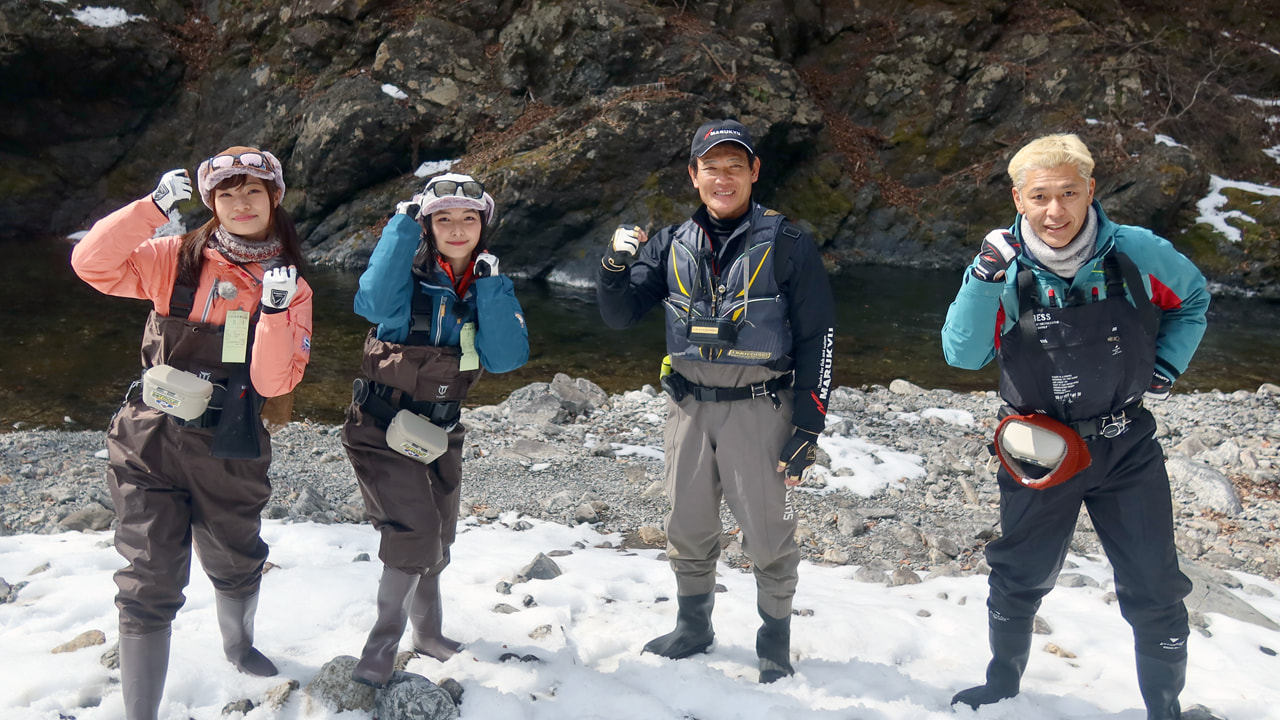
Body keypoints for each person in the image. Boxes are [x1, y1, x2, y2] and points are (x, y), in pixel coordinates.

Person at [941, 133, 1210, 719]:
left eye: (1068, 193)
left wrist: (1166, 366)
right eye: (1040, 196)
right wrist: (984, 276)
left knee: (1156, 588)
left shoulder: (1138, 251)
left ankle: (1164, 709)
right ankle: (1003, 687)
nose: (1055, 211)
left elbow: (1192, 299)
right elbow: (962, 355)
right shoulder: (1002, 269)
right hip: (1038, 448)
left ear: (1091, 189)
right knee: (1019, 574)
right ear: (1018, 198)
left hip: (1127, 445)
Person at [71, 147, 312, 720]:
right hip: (148, 439)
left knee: (235, 557)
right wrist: (150, 209)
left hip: (231, 444)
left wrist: (275, 312)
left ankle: (239, 644)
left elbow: (277, 379)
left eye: (253, 191)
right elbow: (92, 265)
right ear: (211, 203)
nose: (241, 203)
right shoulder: (171, 258)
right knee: (147, 578)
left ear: (274, 197)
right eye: (226, 194)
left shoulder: (290, 285)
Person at [597, 119, 835, 683]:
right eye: (711, 167)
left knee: (767, 532)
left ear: (754, 172)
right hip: (687, 407)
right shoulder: (670, 243)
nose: (722, 177)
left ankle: (774, 640)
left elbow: (818, 340)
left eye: (735, 166)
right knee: (687, 522)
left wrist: (807, 428)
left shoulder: (790, 244)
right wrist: (612, 269)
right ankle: (693, 627)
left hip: (760, 407)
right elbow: (619, 314)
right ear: (694, 176)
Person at [342, 172, 529, 687]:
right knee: (414, 535)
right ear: (427, 226)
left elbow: (506, 357)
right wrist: (401, 227)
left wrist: (491, 287)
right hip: (379, 428)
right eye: (442, 218)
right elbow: (371, 304)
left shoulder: (487, 285)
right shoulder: (406, 278)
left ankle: (429, 636)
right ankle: (380, 647)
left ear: (483, 225)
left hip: (441, 434)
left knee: (439, 539)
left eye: (468, 218)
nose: (456, 227)